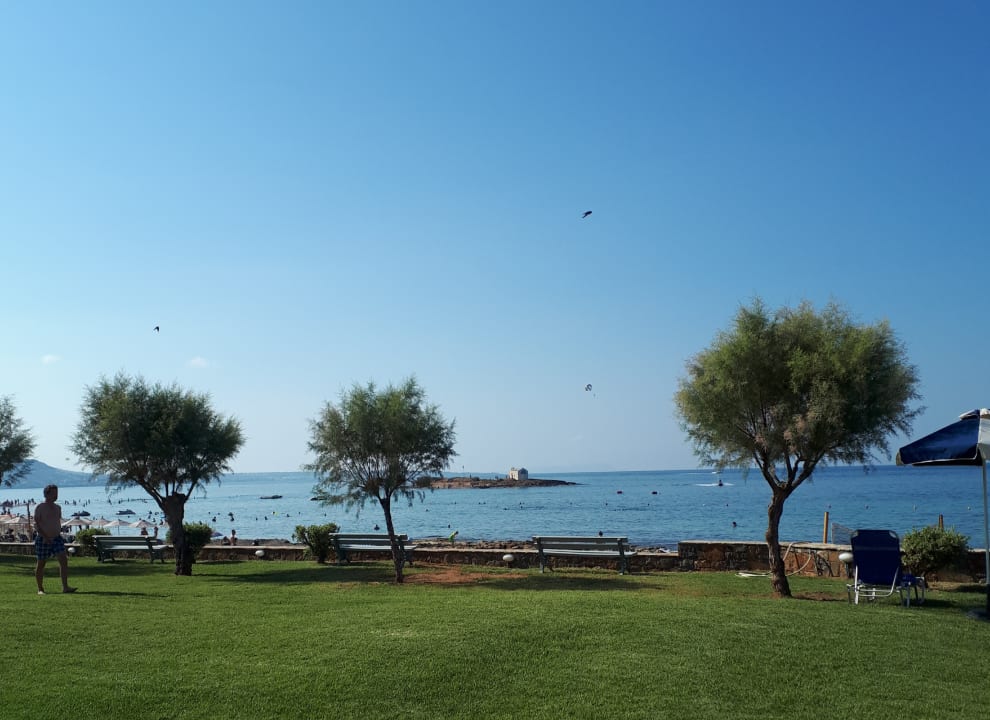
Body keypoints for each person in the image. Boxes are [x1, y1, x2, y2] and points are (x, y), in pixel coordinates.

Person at [33, 485, 76, 595]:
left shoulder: (58, 508)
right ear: (47, 494)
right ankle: (40, 589)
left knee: (63, 560)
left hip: (57, 538)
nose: (56, 495)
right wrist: (45, 537)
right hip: (43, 539)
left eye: (57, 493)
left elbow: (56, 522)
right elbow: (36, 524)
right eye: (53, 493)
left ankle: (65, 587)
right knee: (41, 563)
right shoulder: (40, 507)